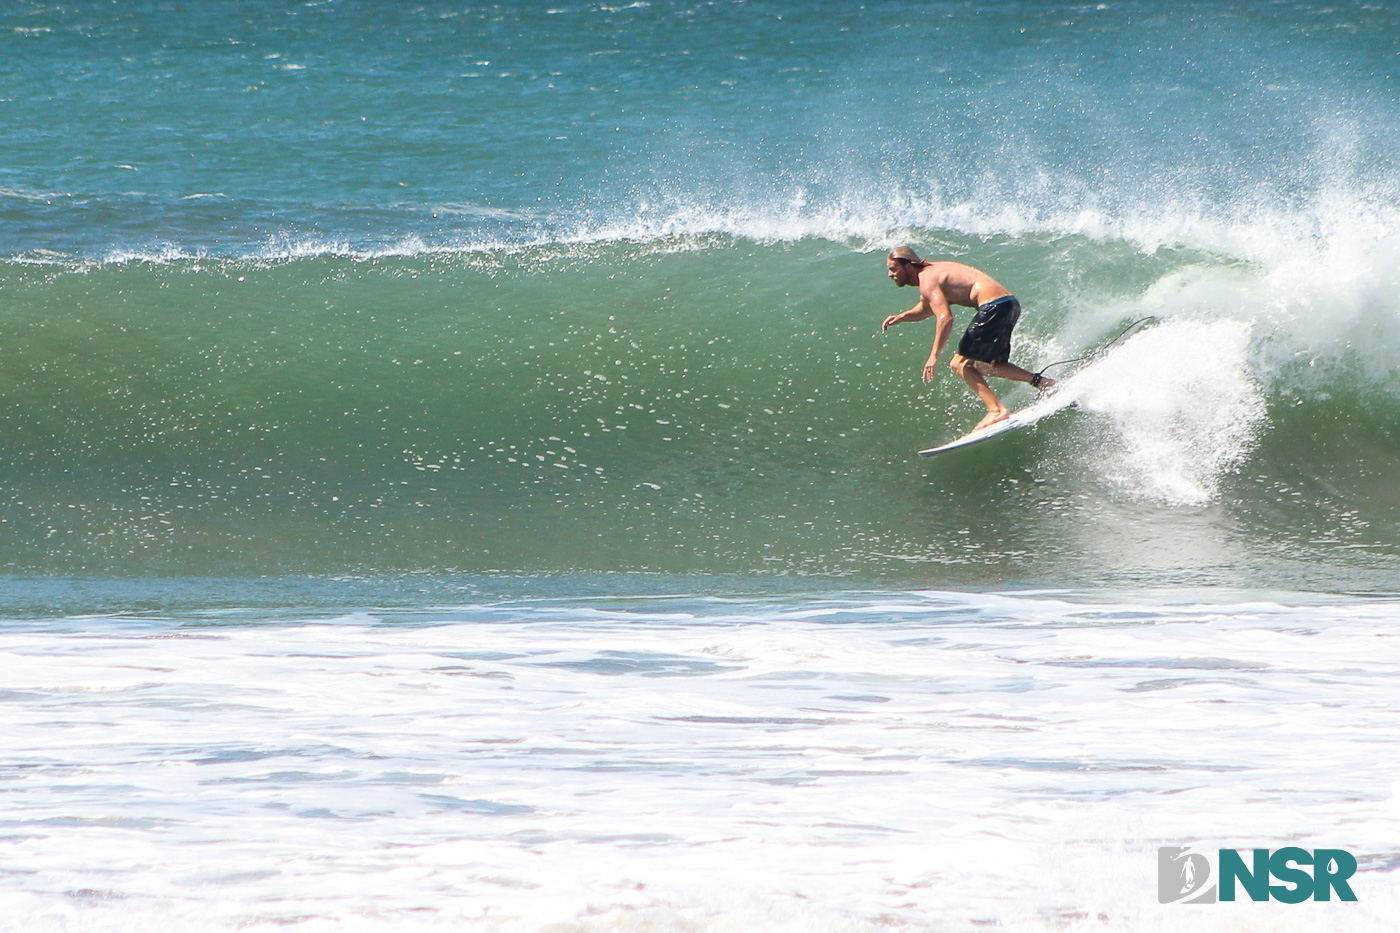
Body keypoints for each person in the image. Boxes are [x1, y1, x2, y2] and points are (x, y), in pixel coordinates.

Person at [880, 246, 1053, 433]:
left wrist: (933, 356)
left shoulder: (927, 280)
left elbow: (945, 318)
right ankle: (1044, 384)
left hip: (993, 307)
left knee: (959, 364)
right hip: (1008, 304)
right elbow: (926, 308)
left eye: (893, 269)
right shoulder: (932, 274)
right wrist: (902, 316)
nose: (890, 274)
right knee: (989, 365)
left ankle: (996, 410)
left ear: (908, 267)